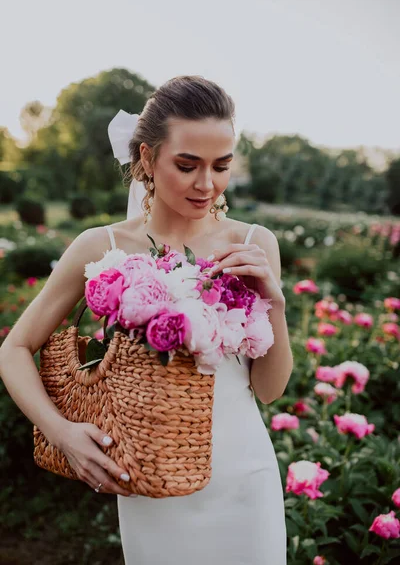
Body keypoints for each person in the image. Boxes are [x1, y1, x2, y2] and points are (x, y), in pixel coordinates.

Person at [0, 75, 293, 564]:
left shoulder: (255, 243)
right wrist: (60, 431)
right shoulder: (102, 247)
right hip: (150, 482)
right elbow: (13, 349)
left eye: (221, 166)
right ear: (145, 159)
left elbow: (268, 390)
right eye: (187, 164)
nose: (207, 184)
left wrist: (276, 304)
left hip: (246, 477)